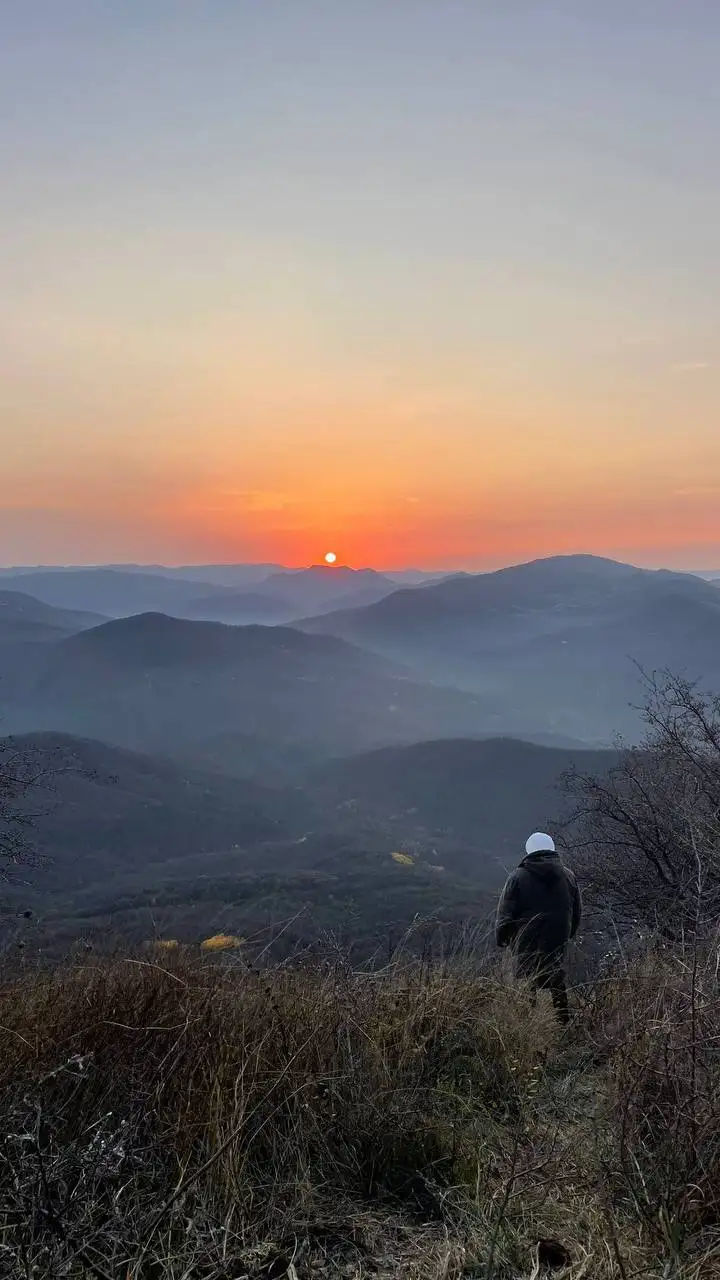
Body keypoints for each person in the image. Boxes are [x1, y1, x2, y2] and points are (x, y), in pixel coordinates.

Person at [495, 832, 581, 1024]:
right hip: (558, 937)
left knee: (527, 980)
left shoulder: (517, 877)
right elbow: (576, 914)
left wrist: (502, 938)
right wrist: (568, 934)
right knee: (556, 978)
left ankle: (527, 1026)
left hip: (526, 939)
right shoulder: (569, 876)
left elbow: (505, 913)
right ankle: (564, 1025)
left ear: (528, 850)